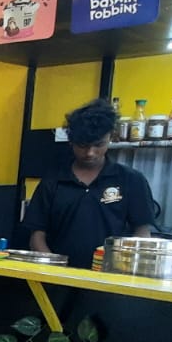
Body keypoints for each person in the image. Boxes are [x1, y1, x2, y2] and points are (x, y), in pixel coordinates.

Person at [23, 98, 156, 268]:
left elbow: (142, 234)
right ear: (71, 141)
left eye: (98, 145)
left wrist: (126, 269)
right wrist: (55, 270)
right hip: (58, 276)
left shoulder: (131, 180)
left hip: (111, 276)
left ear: (111, 137)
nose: (90, 153)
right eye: (82, 145)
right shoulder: (53, 181)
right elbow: (36, 236)